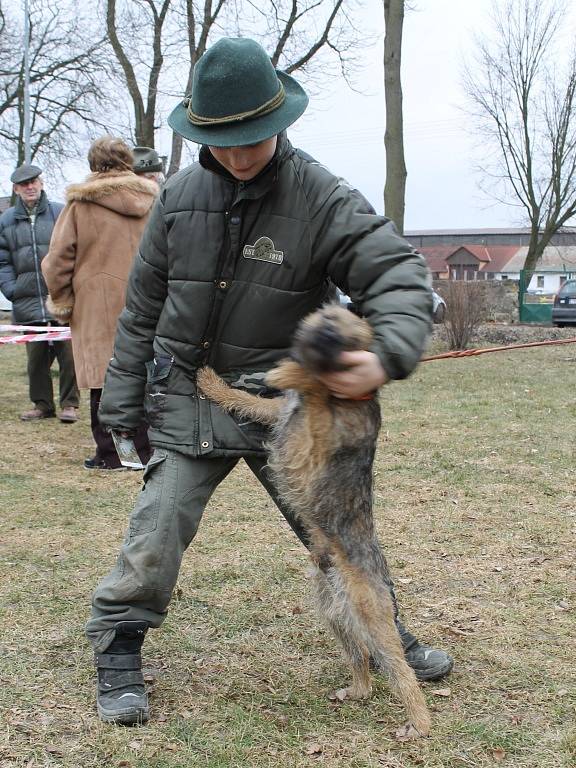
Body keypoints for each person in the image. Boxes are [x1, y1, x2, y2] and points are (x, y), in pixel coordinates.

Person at [86, 38, 453, 725]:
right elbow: (141, 308)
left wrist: (389, 351)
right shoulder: (176, 199)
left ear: (279, 121)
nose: (240, 154)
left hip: (282, 412)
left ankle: (386, 634)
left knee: (340, 536)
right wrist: (125, 403)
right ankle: (118, 644)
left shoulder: (321, 197)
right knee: (156, 531)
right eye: (223, 140)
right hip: (193, 401)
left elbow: (395, 272)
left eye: (252, 138)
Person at [41, 137, 158, 470]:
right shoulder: (152, 201)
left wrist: (62, 299)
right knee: (142, 372)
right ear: (127, 162)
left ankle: (111, 453)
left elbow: (58, 260)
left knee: (102, 376)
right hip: (145, 299)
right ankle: (144, 449)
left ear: (94, 164)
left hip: (96, 303)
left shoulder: (79, 206)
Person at [0, 164, 80, 423]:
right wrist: (11, 289)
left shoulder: (60, 212)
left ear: (41, 183)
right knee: (35, 360)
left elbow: (74, 251)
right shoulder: (6, 219)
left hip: (59, 299)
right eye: (24, 184)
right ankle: (42, 405)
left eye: (33, 181)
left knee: (68, 355)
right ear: (16, 189)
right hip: (26, 301)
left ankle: (70, 405)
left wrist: (68, 288)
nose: (30, 187)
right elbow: (2, 261)